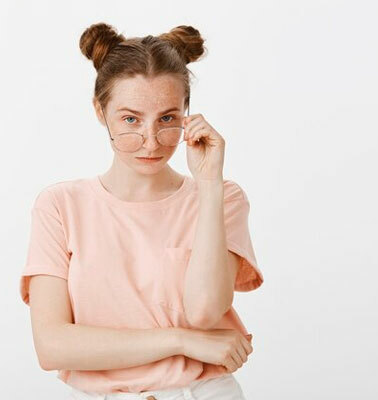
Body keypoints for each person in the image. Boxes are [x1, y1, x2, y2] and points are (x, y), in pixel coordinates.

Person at [18, 22, 264, 400]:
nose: (151, 142)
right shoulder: (60, 207)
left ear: (186, 113)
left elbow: (204, 312)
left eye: (167, 118)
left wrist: (210, 185)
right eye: (131, 119)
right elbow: (52, 346)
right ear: (101, 111)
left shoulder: (222, 198)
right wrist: (181, 341)